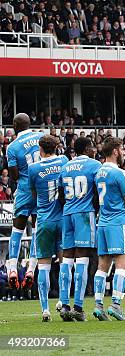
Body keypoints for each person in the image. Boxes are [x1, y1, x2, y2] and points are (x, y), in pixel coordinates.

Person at [57, 136, 101, 321]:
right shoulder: (94, 165)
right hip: (84, 214)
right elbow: (99, 192)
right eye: (92, 147)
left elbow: (60, 194)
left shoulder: (66, 166)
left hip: (67, 214)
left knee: (66, 259)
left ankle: (64, 306)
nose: (95, 150)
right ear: (88, 148)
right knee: (82, 260)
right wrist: (95, 211)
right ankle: (78, 307)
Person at [92, 137, 125, 321]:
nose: (124, 153)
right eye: (122, 149)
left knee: (102, 266)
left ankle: (98, 305)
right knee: (123, 262)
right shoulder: (119, 173)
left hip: (103, 222)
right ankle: (116, 304)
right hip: (118, 221)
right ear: (115, 151)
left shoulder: (98, 172)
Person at [28, 135, 68, 322]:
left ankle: (45, 309)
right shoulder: (64, 161)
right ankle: (62, 300)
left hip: (44, 221)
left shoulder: (33, 168)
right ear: (56, 147)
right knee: (65, 263)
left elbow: (34, 194)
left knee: (43, 266)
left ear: (40, 150)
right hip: (62, 219)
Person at [6, 113, 45, 290]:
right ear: (30, 124)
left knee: (17, 230)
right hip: (41, 189)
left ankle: (12, 268)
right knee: (37, 230)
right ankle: (31, 269)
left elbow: (13, 175)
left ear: (15, 126)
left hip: (24, 190)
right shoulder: (40, 137)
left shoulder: (12, 147)